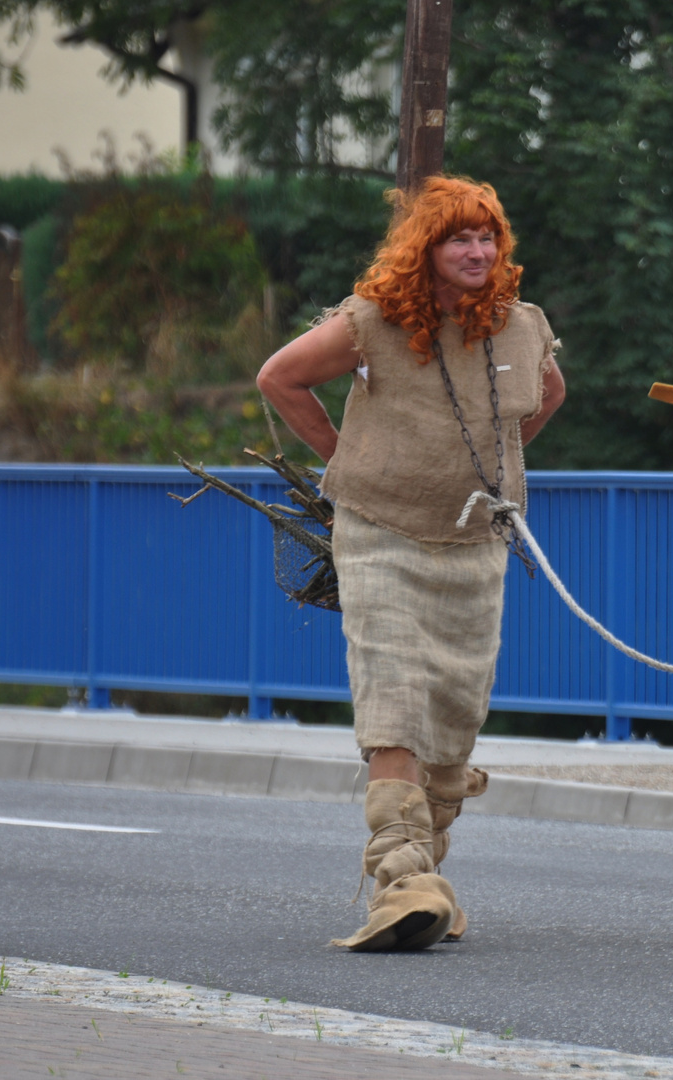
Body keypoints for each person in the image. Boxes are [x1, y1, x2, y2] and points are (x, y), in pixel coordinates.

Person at [257, 175, 565, 952]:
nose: (477, 250)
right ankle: (397, 878)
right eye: (459, 237)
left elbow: (547, 395)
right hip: (382, 532)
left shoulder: (522, 326)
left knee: (455, 720)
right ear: (424, 250)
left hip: (473, 543)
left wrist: (492, 465)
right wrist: (346, 456)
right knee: (394, 698)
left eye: (487, 236)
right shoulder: (370, 320)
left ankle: (426, 873)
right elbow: (279, 377)